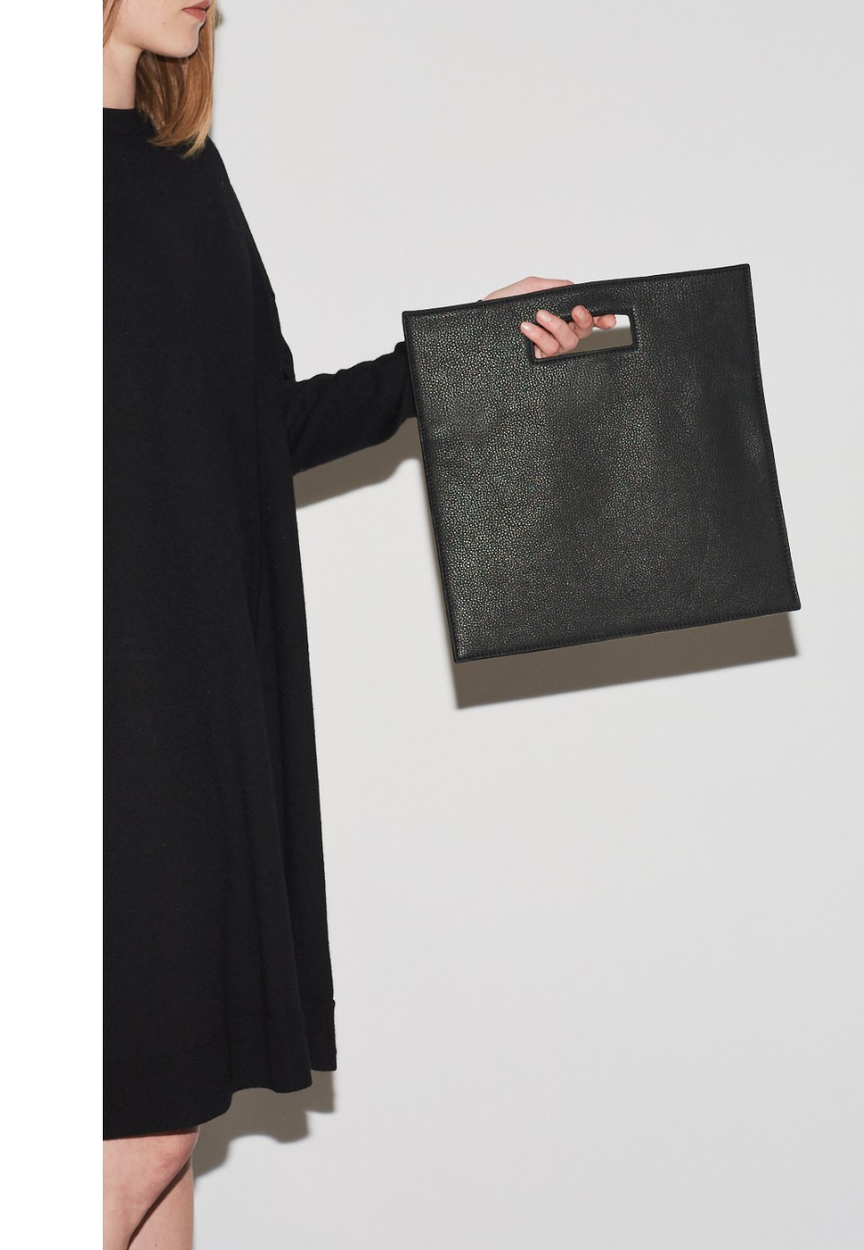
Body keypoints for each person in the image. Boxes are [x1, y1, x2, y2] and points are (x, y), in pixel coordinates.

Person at [103, 1, 617, 1246]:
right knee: (138, 1131)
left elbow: (259, 427)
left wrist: (467, 353)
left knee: (163, 1130)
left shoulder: (180, 168)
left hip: (199, 694)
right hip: (103, 705)